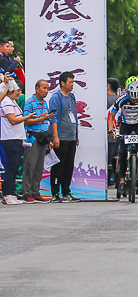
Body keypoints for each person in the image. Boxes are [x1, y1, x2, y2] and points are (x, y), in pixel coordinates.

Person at [48, 71, 80, 202]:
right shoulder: (56, 97)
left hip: (71, 136)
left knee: (69, 165)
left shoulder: (72, 97)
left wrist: (76, 134)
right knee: (58, 166)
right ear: (62, 83)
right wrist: (55, 137)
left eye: (73, 82)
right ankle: (55, 193)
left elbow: (74, 116)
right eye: (70, 82)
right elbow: (53, 118)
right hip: (61, 137)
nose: (72, 84)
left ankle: (66, 192)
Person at [1, 80, 33, 204]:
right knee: (11, 167)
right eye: (18, 91)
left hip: (16, 138)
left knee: (14, 167)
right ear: (10, 91)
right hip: (10, 139)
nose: (20, 93)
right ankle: (7, 194)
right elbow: (13, 120)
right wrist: (27, 117)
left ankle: (11, 193)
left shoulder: (13, 102)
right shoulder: (7, 102)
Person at [22, 79, 54, 202]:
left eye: (48, 88)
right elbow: (26, 121)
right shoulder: (30, 102)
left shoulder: (44, 103)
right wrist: (42, 118)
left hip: (43, 137)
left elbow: (46, 122)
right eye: (44, 88)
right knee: (30, 165)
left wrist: (49, 139)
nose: (46, 91)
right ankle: (26, 193)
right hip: (32, 138)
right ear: (37, 89)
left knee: (39, 167)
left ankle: (35, 192)